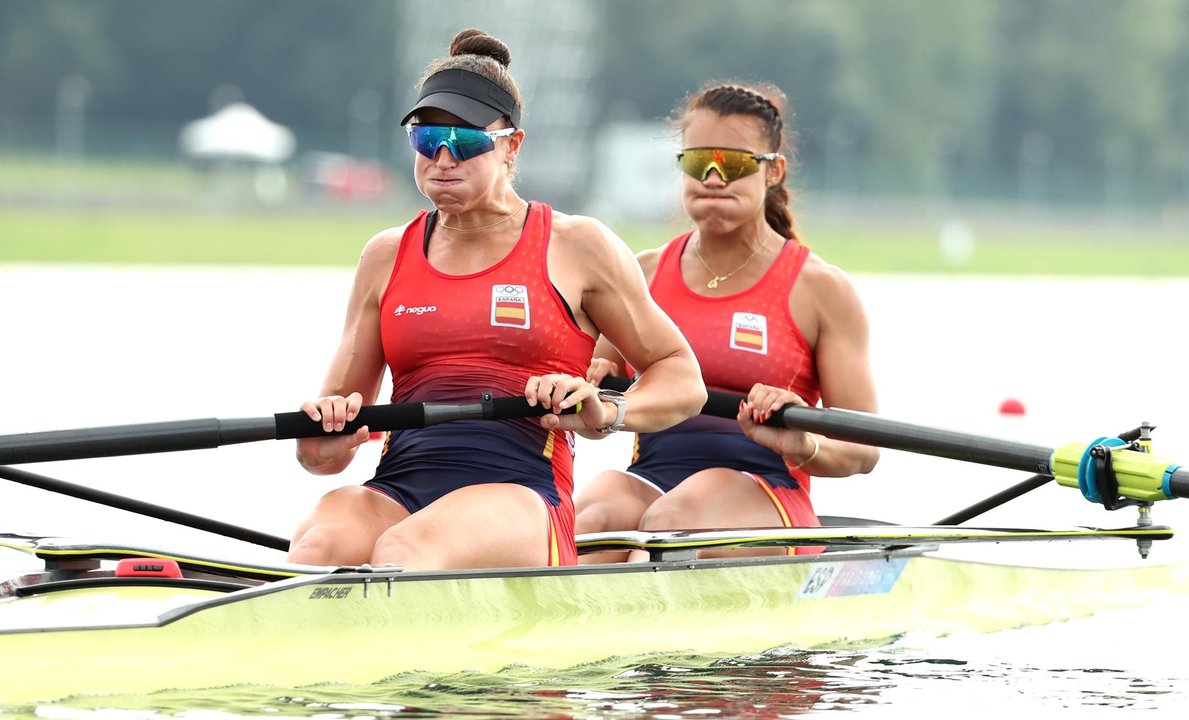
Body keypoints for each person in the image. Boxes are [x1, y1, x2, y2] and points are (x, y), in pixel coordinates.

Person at [286, 29, 705, 571]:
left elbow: (682, 377)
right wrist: (322, 442)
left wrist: (608, 410)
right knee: (320, 545)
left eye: (464, 142)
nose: (441, 157)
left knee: (405, 550)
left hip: (523, 493)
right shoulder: (386, 255)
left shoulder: (576, 246)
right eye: (426, 138)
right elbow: (326, 445)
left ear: (512, 145)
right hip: (401, 486)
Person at [575, 80, 879, 561]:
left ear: (773, 171)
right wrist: (593, 400)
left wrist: (804, 443)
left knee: (667, 529)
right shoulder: (642, 274)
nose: (713, 177)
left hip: (768, 490)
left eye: (733, 163)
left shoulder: (821, 290)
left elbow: (863, 451)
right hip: (651, 477)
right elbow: (592, 418)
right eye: (699, 162)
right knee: (585, 525)